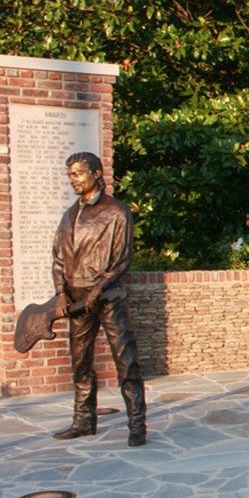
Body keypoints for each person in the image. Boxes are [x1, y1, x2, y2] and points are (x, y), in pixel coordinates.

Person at [52, 152, 147, 446]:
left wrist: (98, 289)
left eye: (78, 173)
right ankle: (83, 421)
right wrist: (59, 293)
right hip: (77, 301)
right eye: (70, 175)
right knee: (80, 362)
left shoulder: (117, 212)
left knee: (125, 360)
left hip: (108, 297)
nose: (74, 180)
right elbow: (58, 258)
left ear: (95, 173)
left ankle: (136, 424)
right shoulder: (70, 214)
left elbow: (122, 259)